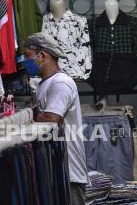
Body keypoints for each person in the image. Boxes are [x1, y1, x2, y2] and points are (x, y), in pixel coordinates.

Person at [24, 32, 88, 205]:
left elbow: (52, 118)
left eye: (28, 57)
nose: (25, 62)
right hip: (56, 170)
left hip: (69, 174)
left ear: (42, 55)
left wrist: (25, 117)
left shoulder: (61, 83)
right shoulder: (45, 84)